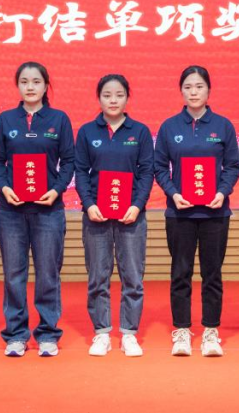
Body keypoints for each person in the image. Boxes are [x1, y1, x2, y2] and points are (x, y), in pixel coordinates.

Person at [154, 65, 239, 357]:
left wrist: (222, 192)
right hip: (180, 213)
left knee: (212, 273)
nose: (194, 92)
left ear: (209, 90)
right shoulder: (169, 127)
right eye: (188, 87)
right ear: (181, 91)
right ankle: (181, 330)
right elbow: (159, 167)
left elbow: (233, 166)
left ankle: (210, 331)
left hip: (215, 213)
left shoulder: (223, 126)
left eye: (199, 86)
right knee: (180, 272)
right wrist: (173, 193)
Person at [0, 61, 75, 357]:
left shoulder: (59, 119)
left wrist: (56, 190)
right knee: (14, 274)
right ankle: (16, 335)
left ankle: (48, 334)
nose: (30, 87)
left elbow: (69, 162)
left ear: (46, 86)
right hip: (10, 210)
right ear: (18, 86)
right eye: (24, 81)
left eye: (36, 81)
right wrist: (4, 187)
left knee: (48, 273)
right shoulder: (6, 119)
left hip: (48, 210)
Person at [74, 74, 155, 357]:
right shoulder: (87, 132)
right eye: (107, 95)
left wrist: (137, 205)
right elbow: (80, 171)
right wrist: (88, 204)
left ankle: (129, 333)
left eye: (119, 95)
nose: (113, 100)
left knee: (133, 276)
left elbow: (147, 172)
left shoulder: (140, 132)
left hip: (131, 216)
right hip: (96, 215)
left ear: (127, 98)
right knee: (98, 276)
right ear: (99, 98)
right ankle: (102, 333)